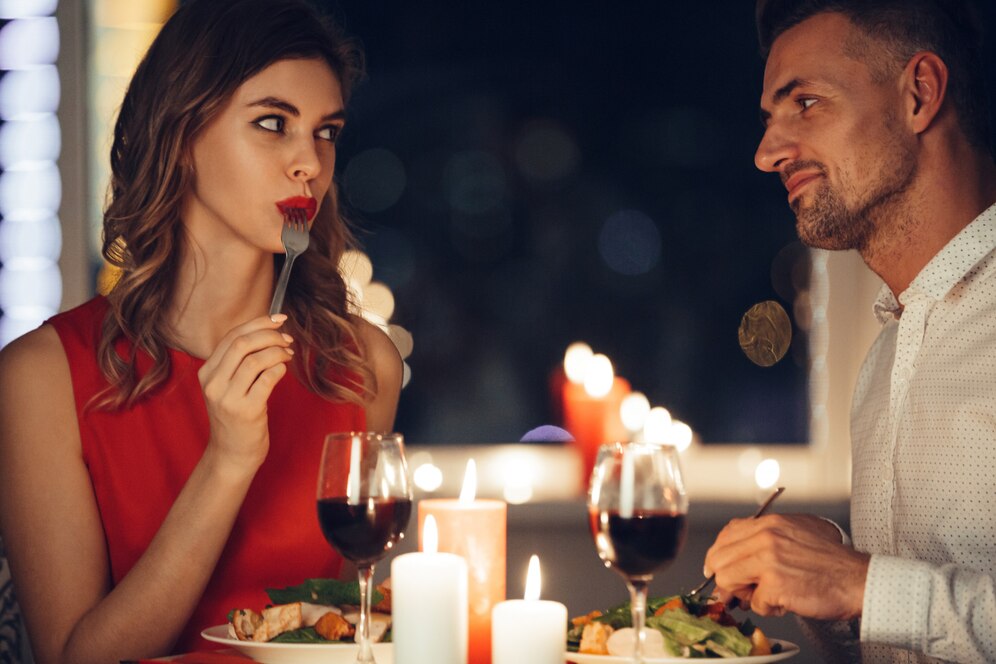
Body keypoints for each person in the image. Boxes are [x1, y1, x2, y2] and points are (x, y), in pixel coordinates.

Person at [0, 0, 403, 661]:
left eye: (326, 131)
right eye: (273, 124)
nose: (309, 163)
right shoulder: (44, 377)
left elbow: (342, 629)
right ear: (180, 135)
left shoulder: (362, 365)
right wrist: (227, 462)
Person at [703, 1, 996, 662]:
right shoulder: (886, 354)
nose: (766, 152)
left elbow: (886, 595)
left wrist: (861, 583)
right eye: (769, 118)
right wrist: (831, 579)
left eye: (805, 103)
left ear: (920, 94)